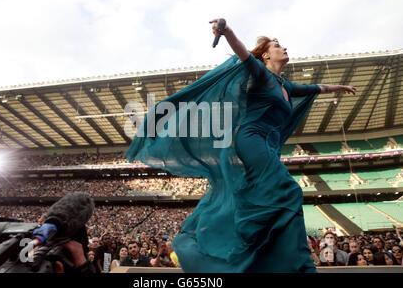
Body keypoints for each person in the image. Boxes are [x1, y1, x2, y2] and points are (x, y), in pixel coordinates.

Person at [124, 19, 356, 273]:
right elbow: (243, 52)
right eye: (278, 45)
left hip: (268, 145)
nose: (284, 48)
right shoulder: (260, 72)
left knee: (266, 196)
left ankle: (262, 253)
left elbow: (314, 87)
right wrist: (227, 31)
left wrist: (339, 87)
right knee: (289, 191)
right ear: (267, 54)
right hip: (252, 139)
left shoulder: (285, 85)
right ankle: (299, 265)